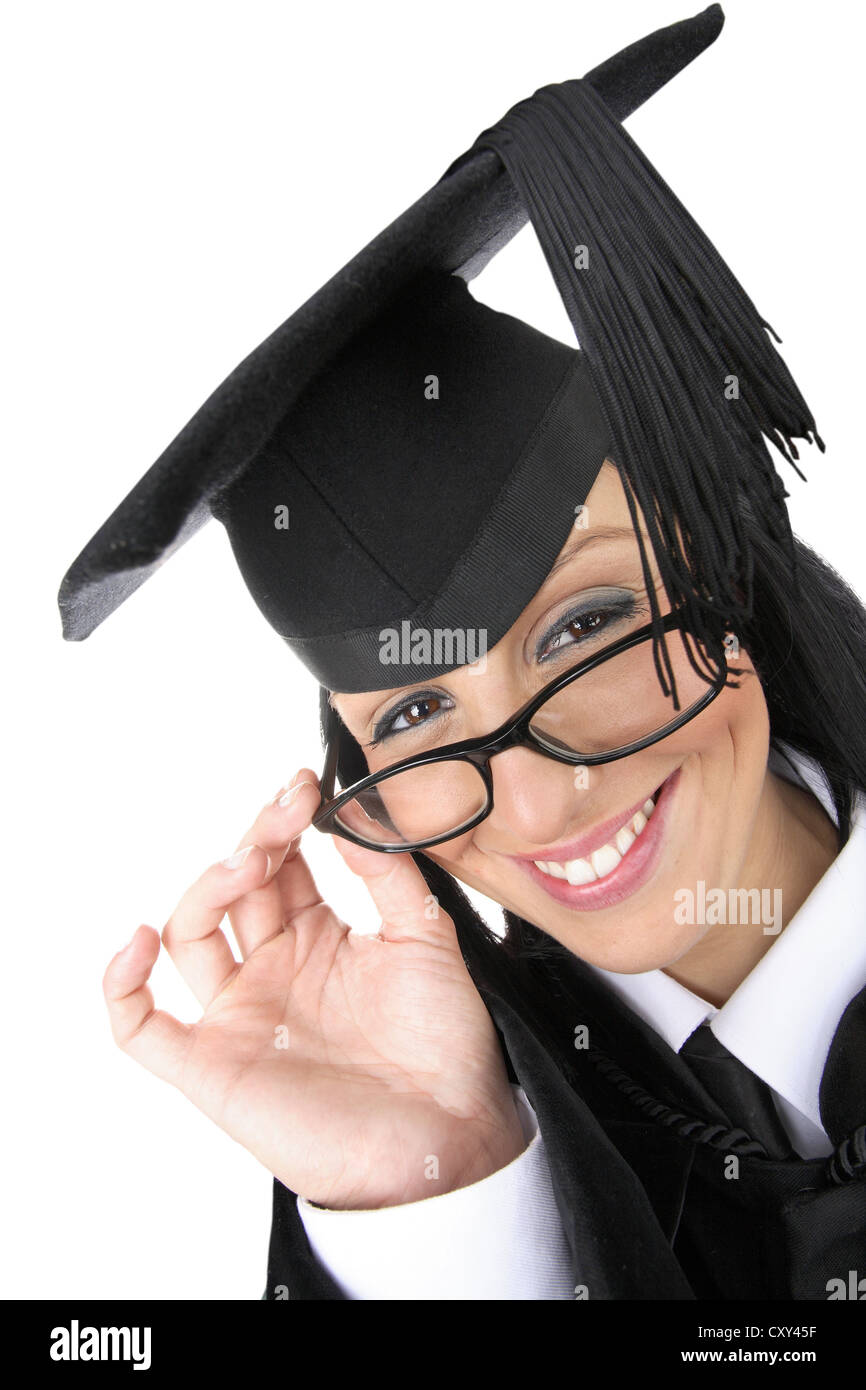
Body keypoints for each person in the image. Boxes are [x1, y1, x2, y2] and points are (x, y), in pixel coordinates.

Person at [57, 5, 866, 1299]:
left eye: (589, 626)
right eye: (419, 718)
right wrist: (435, 1190)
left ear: (715, 556)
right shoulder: (495, 1144)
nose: (543, 799)